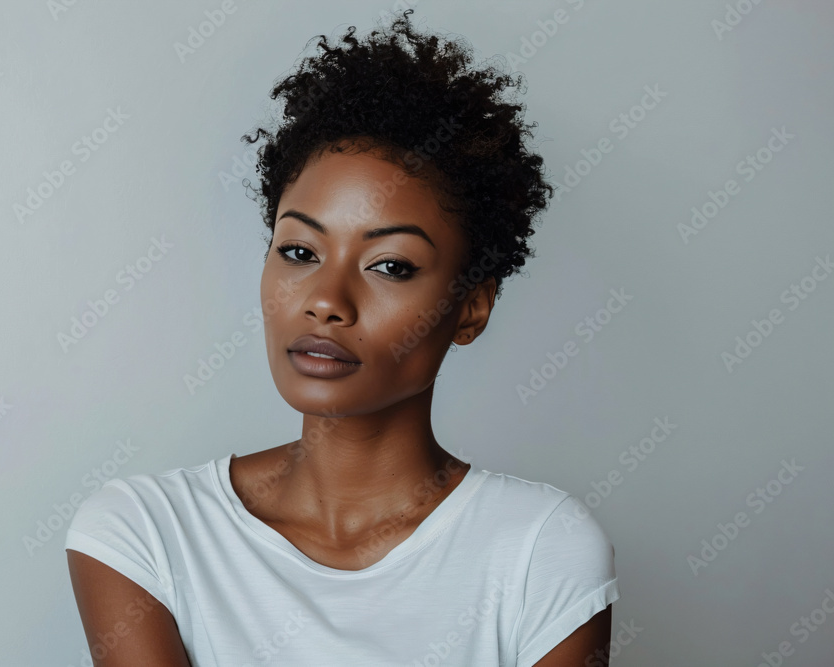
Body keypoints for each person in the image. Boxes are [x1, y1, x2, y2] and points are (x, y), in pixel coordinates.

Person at [66, 9, 619, 666]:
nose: (326, 300)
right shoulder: (144, 533)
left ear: (471, 305)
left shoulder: (539, 549)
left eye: (391, 266)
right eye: (300, 251)